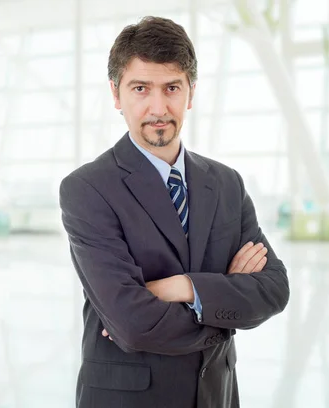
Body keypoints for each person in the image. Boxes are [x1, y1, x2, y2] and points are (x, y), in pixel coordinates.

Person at [59, 16, 290, 408]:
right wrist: (223, 302)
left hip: (216, 395)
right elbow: (133, 325)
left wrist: (185, 287)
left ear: (191, 93)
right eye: (140, 89)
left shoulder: (226, 184)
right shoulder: (88, 189)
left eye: (171, 88)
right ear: (116, 95)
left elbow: (274, 289)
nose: (158, 107)